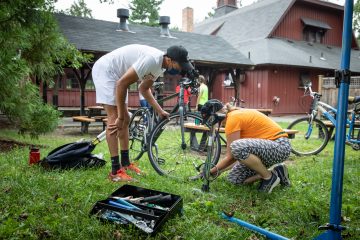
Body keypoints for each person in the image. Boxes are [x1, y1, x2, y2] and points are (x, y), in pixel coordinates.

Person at [92, 44, 194, 182]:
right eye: (179, 65)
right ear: (169, 59)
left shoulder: (160, 66)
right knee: (115, 119)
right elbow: (122, 84)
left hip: (118, 77)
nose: (180, 69)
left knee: (126, 119)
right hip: (106, 70)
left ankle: (126, 164)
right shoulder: (152, 60)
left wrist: (160, 110)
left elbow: (144, 88)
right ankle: (115, 171)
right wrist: (121, 116)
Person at [197, 99, 292, 193]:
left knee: (236, 147)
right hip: (267, 149)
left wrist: (209, 172)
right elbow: (239, 157)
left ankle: (268, 178)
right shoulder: (232, 116)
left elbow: (231, 156)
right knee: (234, 179)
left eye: (210, 119)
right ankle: (276, 173)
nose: (211, 123)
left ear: (216, 116)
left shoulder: (233, 118)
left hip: (280, 146)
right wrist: (216, 172)